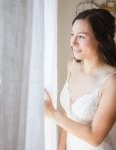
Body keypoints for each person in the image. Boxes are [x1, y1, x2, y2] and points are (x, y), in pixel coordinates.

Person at [45, 8, 116, 150]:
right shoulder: (71, 66)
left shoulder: (111, 82)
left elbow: (95, 137)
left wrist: (53, 114)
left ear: (101, 39)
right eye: (72, 34)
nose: (73, 42)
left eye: (81, 36)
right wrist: (61, 147)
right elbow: (68, 114)